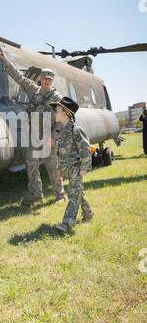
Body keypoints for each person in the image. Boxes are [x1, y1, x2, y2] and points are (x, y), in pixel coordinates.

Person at [0, 48, 66, 205]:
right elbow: (19, 78)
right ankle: (37, 195)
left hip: (48, 135)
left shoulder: (56, 98)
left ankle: (60, 195)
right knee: (31, 164)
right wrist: (6, 61)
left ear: (52, 81)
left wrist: (54, 136)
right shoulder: (33, 90)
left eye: (50, 79)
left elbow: (62, 119)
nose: (47, 81)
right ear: (40, 78)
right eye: (45, 78)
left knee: (52, 166)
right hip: (33, 133)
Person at [50, 97, 94, 233]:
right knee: (78, 192)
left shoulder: (76, 129)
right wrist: (61, 170)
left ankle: (67, 223)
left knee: (73, 195)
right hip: (68, 169)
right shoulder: (62, 131)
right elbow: (61, 153)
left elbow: (85, 149)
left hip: (76, 167)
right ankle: (88, 214)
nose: (55, 113)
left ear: (66, 113)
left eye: (57, 110)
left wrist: (84, 168)